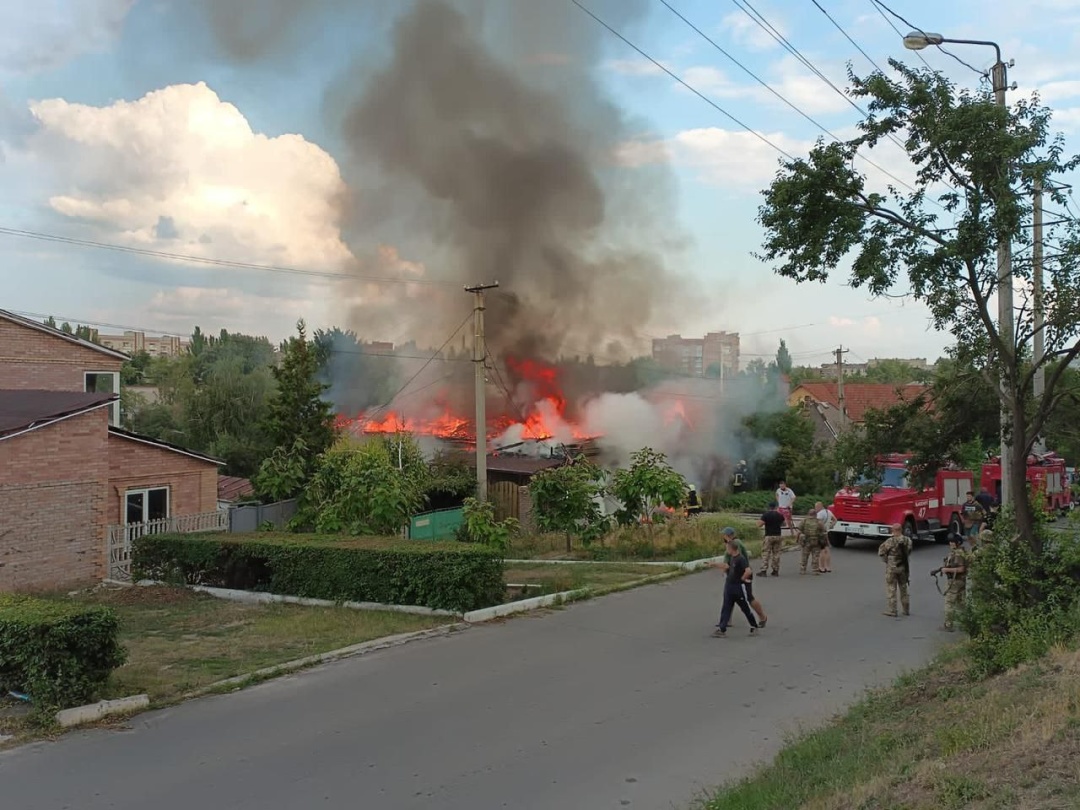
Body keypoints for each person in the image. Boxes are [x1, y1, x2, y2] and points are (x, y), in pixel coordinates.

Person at [710, 527, 768, 626]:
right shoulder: (731, 544)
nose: (723, 537)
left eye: (725, 535)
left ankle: (762, 617)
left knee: (749, 598)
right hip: (734, 576)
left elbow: (738, 560)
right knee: (729, 597)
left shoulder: (736, 544)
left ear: (729, 535)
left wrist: (741, 577)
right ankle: (727, 620)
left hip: (741, 575)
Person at [713, 536, 760, 638]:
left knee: (745, 608)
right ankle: (722, 629)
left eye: (727, 548)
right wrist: (713, 564)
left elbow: (748, 571)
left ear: (731, 549)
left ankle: (754, 626)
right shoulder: (732, 559)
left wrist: (742, 579)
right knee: (726, 607)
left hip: (738, 588)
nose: (726, 550)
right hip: (729, 587)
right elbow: (726, 566)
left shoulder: (740, 559)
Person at [932, 533, 967, 632]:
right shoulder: (959, 552)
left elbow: (961, 569)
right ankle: (965, 624)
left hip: (955, 581)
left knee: (949, 603)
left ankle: (948, 625)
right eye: (950, 542)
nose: (950, 544)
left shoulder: (958, 554)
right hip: (960, 581)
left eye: (952, 542)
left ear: (957, 543)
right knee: (961, 603)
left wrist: (947, 570)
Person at [878, 523, 912, 618]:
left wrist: (887, 561)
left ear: (893, 531)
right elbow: (909, 552)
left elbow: (881, 552)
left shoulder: (890, 541)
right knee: (903, 588)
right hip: (903, 567)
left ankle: (892, 610)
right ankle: (906, 609)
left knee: (891, 588)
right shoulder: (907, 540)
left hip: (892, 568)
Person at [757, 502, 785, 577]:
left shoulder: (766, 515)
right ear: (776, 507)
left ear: (769, 507)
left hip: (769, 535)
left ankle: (763, 570)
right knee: (776, 553)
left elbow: (760, 524)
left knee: (766, 553)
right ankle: (775, 570)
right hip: (778, 535)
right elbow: (784, 524)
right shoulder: (780, 515)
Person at [797, 508, 823, 575]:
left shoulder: (804, 521)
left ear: (808, 514)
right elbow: (823, 532)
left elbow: (799, 531)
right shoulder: (819, 522)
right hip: (816, 541)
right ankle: (815, 570)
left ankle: (803, 570)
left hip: (806, 540)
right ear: (816, 514)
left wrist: (797, 540)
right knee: (815, 556)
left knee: (804, 555)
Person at [815, 500, 837, 573]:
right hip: (826, 532)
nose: (815, 509)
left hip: (821, 533)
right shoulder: (828, 512)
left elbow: (819, 524)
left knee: (822, 551)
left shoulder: (820, 514)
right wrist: (830, 526)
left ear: (819, 507)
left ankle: (822, 567)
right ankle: (828, 567)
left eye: (816, 507)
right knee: (827, 550)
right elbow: (835, 520)